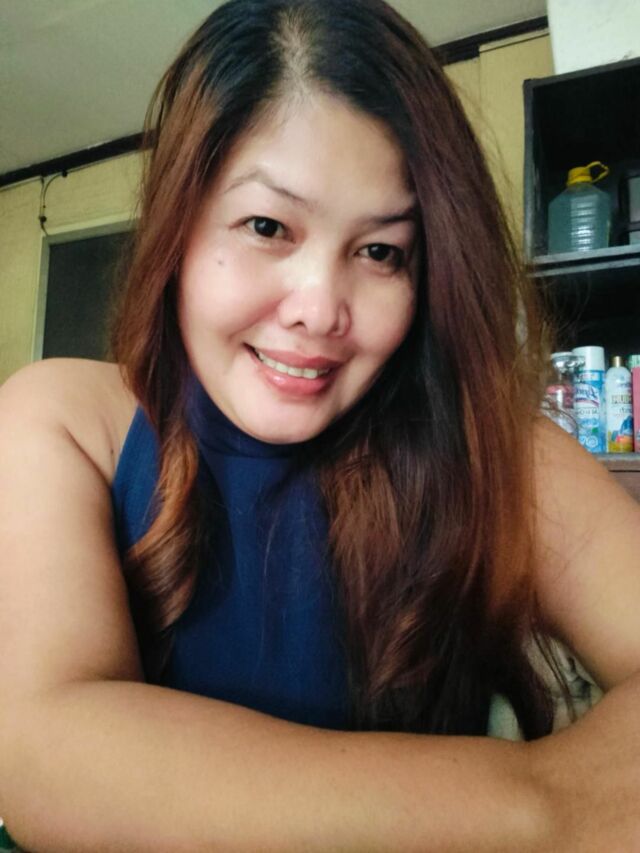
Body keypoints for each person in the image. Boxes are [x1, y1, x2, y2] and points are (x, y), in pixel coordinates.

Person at [1, 0, 639, 849]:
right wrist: (549, 803)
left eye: (380, 251)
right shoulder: (65, 421)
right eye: (267, 226)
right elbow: (48, 756)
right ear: (178, 229)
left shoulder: (496, 451)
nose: (320, 309)